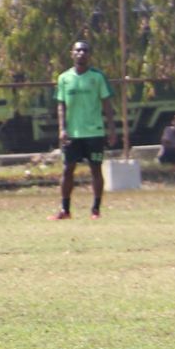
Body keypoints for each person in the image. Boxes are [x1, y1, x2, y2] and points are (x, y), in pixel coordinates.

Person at [52, 40, 116, 220]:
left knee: (95, 169)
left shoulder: (97, 77)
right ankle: (65, 210)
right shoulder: (64, 78)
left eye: (85, 50)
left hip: (94, 132)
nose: (81, 53)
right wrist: (62, 128)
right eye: (78, 50)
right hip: (73, 133)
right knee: (67, 170)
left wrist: (111, 130)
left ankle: (95, 209)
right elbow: (61, 105)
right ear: (72, 53)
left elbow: (107, 104)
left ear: (89, 55)